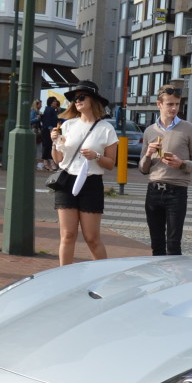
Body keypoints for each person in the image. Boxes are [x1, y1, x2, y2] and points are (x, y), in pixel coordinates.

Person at [49, 81, 119, 265]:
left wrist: (96, 156)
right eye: (74, 99)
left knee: (92, 238)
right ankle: (64, 278)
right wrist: (54, 142)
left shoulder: (106, 129)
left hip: (91, 183)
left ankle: (103, 276)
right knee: (68, 235)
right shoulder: (68, 125)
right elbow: (58, 159)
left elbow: (111, 164)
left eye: (81, 97)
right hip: (66, 181)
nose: (77, 101)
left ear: (93, 100)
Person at [139, 85, 192, 255]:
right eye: (169, 104)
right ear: (159, 104)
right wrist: (147, 154)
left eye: (177, 104)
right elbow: (143, 169)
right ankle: (160, 281)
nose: (174, 108)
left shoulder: (189, 129)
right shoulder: (149, 131)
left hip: (176, 191)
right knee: (157, 245)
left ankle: (175, 280)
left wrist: (182, 164)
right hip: (153, 190)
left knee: (174, 245)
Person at [39, 97, 61, 171]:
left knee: (48, 145)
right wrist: (51, 129)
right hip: (49, 130)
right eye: (54, 101)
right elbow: (49, 120)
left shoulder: (51, 110)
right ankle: (47, 162)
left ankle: (48, 162)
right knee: (48, 145)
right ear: (51, 102)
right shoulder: (50, 110)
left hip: (50, 129)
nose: (56, 103)